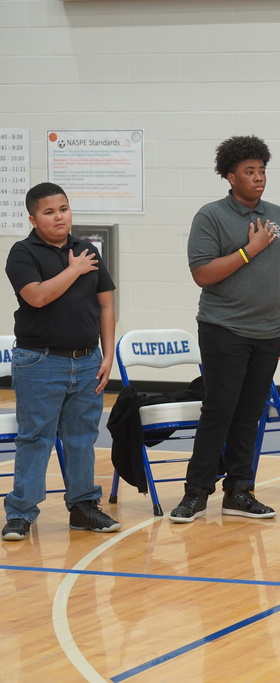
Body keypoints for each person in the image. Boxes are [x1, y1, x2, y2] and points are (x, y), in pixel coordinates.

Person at [168, 135, 280, 523]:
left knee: (250, 413)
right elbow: (202, 274)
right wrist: (249, 249)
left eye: (262, 171)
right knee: (220, 409)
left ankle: (240, 491)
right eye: (249, 171)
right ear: (229, 176)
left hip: (269, 330)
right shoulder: (211, 216)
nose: (259, 178)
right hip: (224, 328)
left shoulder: (279, 216)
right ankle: (196, 493)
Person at [2, 182, 120, 541]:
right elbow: (37, 297)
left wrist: (108, 354)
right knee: (36, 438)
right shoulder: (22, 253)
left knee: (82, 437)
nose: (59, 216)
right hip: (40, 363)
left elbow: (106, 304)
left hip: (87, 362)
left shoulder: (86, 250)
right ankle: (21, 513)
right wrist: (74, 269)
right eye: (49, 211)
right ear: (33, 218)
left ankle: (83, 507)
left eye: (64, 209)